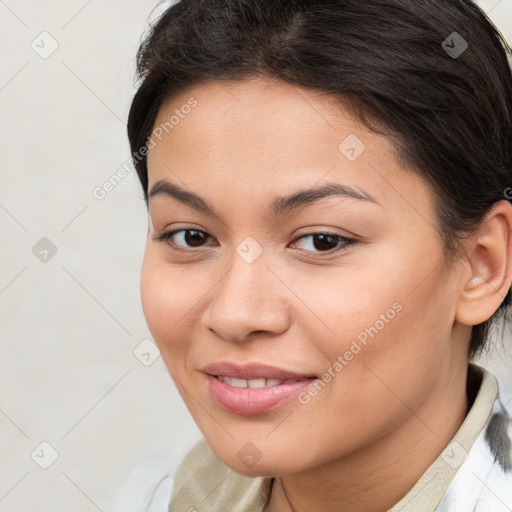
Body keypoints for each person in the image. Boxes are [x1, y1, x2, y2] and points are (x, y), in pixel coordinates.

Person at [126, 0, 512, 510]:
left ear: (482, 266)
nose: (235, 314)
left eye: (321, 241)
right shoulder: (162, 497)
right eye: (191, 237)